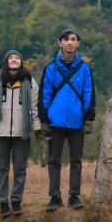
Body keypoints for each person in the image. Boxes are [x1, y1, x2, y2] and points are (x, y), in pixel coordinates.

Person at [0, 49, 44, 217]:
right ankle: (3, 203)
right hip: (0, 132)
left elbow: (35, 108)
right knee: (1, 169)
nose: (14, 59)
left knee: (20, 169)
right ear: (6, 62)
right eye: (10, 57)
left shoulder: (29, 81)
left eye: (17, 57)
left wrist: (37, 130)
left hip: (22, 133)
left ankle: (16, 201)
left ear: (21, 61)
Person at [39, 28, 96, 211]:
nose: (69, 42)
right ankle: (55, 197)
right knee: (54, 160)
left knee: (76, 160)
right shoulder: (51, 68)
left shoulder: (85, 68)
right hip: (55, 122)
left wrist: (88, 119)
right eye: (66, 39)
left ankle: (74, 196)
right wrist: (44, 120)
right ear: (60, 43)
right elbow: (44, 94)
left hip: (77, 121)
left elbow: (89, 93)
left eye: (73, 39)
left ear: (78, 43)